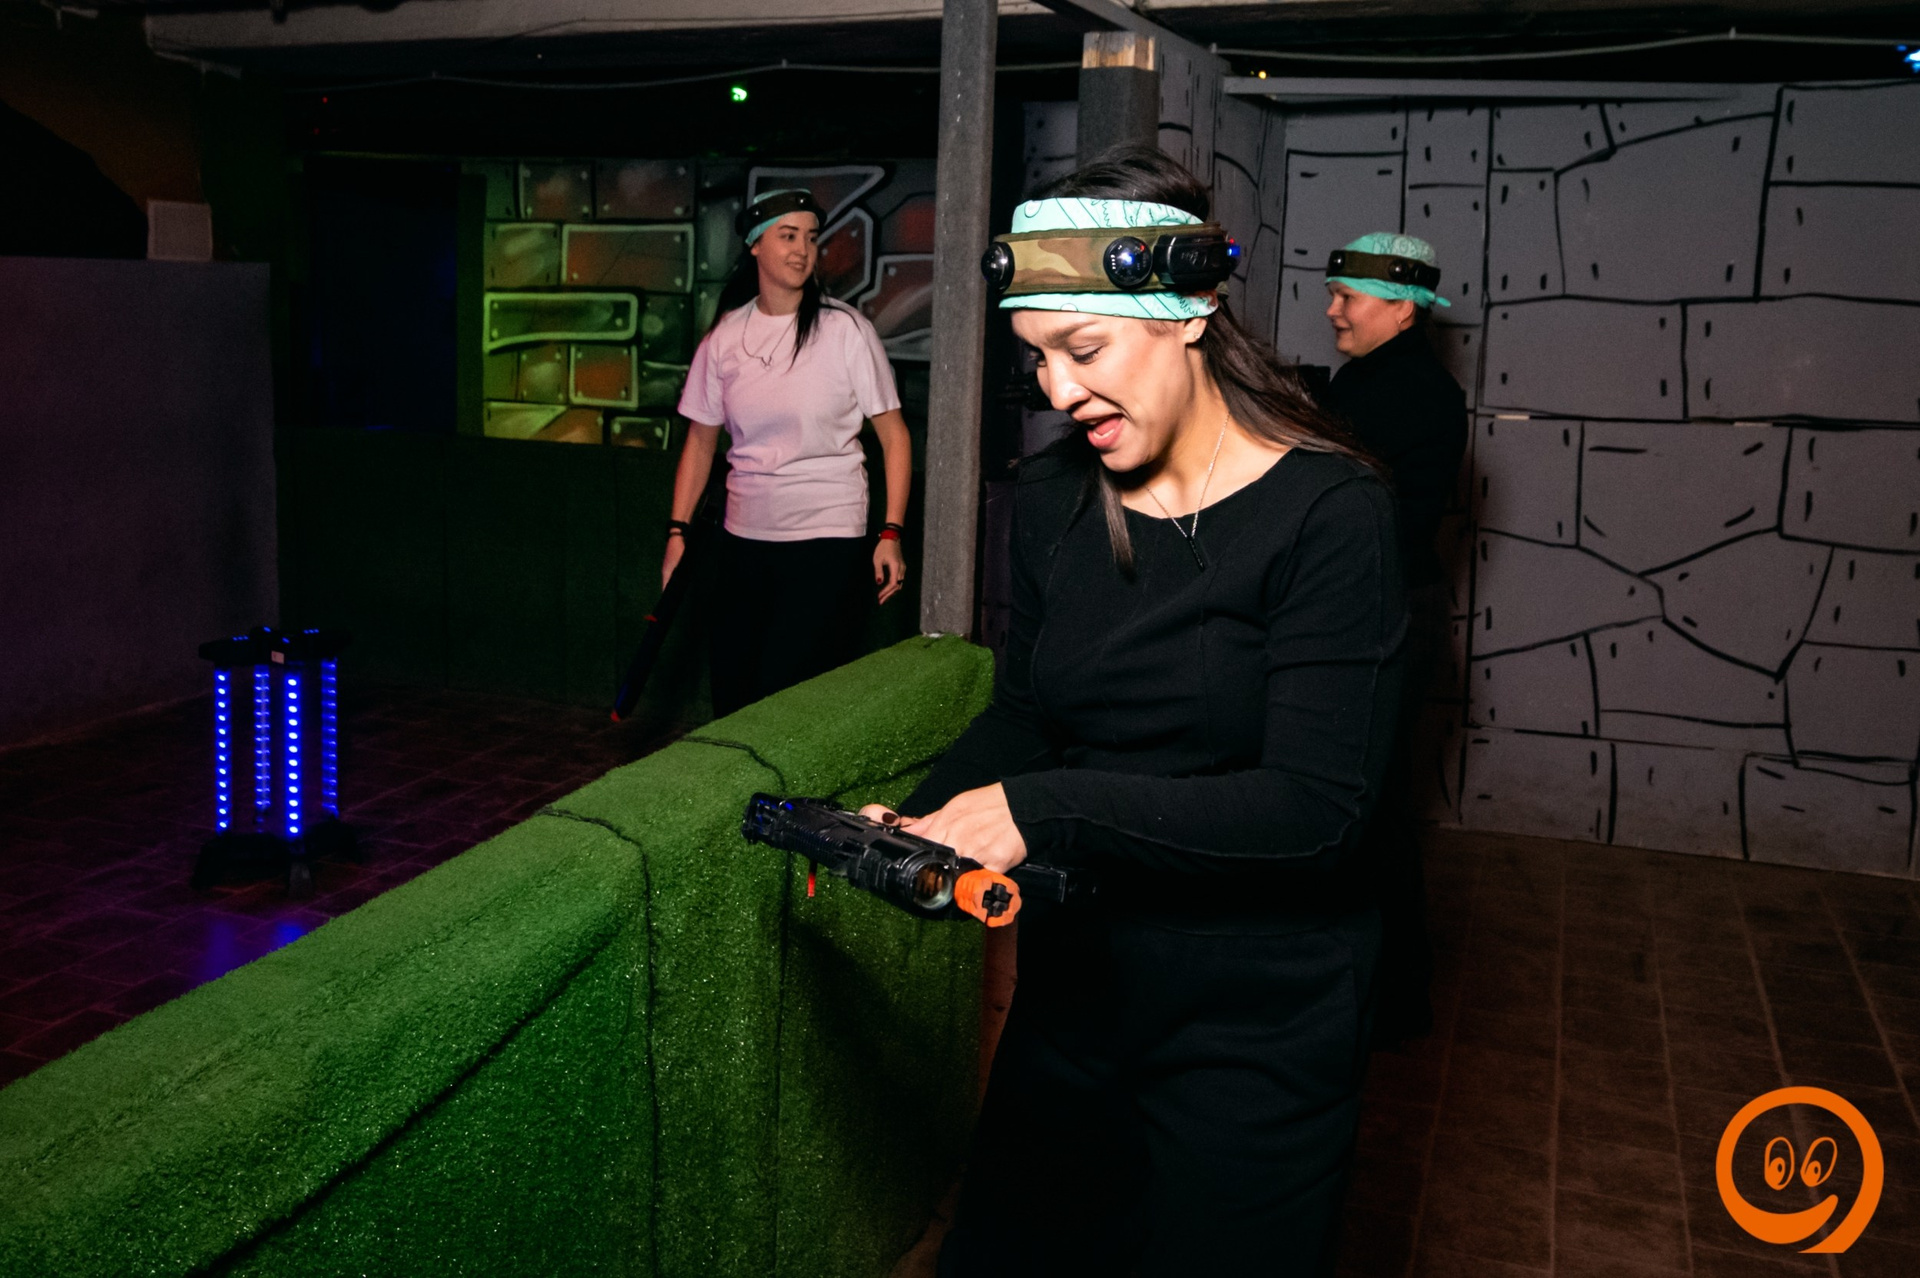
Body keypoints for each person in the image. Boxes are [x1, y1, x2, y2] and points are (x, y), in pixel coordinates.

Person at [867, 149, 1406, 1275]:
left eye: (1083, 350)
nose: (1058, 392)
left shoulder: (1330, 514)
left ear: (1191, 312)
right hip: (1082, 996)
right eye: (1037, 358)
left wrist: (1045, 811)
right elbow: (1026, 715)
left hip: (1256, 1023)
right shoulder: (1055, 497)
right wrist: (922, 822)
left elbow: (1315, 814)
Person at [665, 187, 913, 718]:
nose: (803, 249)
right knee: (733, 691)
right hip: (744, 539)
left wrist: (890, 533)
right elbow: (701, 442)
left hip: (826, 538)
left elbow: (894, 435)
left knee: (790, 695)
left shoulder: (846, 331)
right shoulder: (724, 338)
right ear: (755, 245)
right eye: (788, 236)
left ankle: (793, 778)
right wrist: (677, 534)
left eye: (811, 238)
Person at [1320, 233, 1469, 1046]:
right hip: (1388, 612)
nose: (1333, 309)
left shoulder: (1403, 393)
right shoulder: (1374, 381)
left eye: (1349, 296)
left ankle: (1394, 998)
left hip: (1387, 617)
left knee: (1369, 811)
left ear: (1404, 311)